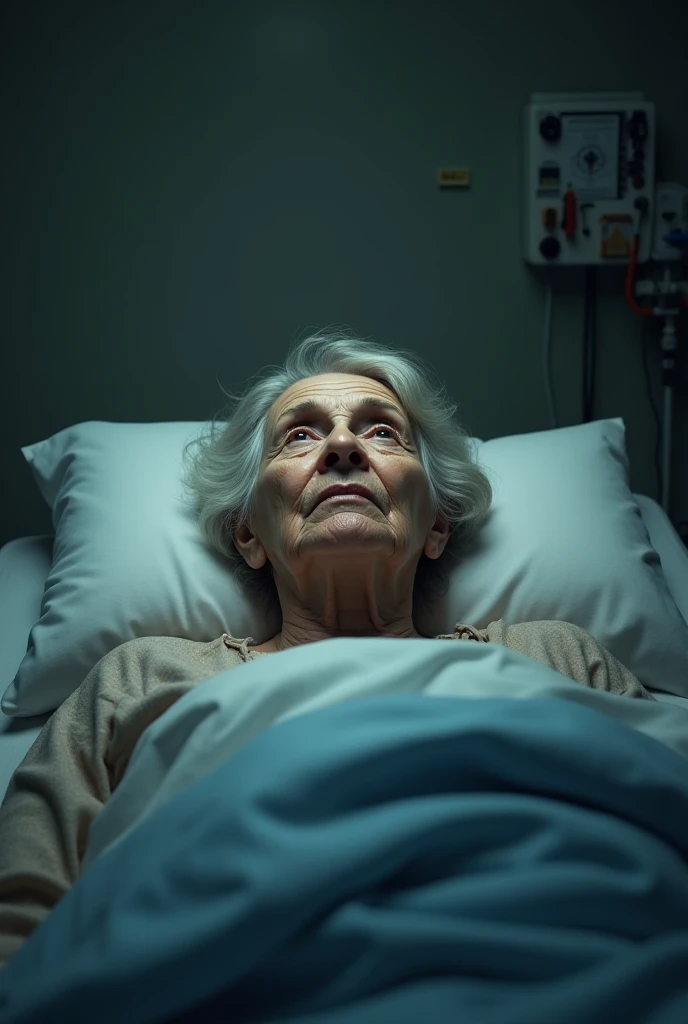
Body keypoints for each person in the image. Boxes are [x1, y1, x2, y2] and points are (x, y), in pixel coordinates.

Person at [0, 329, 653, 970]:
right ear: (248, 533)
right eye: (300, 435)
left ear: (437, 526)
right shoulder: (141, 678)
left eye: (382, 431)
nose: (343, 445)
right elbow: (19, 913)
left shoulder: (556, 659)